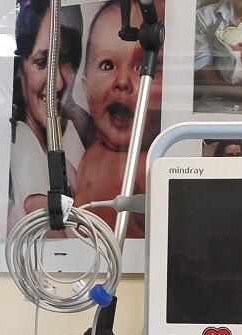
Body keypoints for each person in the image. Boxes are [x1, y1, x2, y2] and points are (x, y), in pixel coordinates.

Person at [73, 0, 164, 238]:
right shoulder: (87, 148)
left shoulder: (148, 165)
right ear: (86, 88)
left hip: (127, 258)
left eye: (142, 67)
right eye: (107, 65)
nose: (122, 82)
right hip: (87, 254)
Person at [7, 0, 91, 229]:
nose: (60, 82)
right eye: (42, 62)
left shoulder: (67, 132)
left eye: (66, 60)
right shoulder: (24, 147)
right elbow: (63, 243)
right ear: (18, 68)